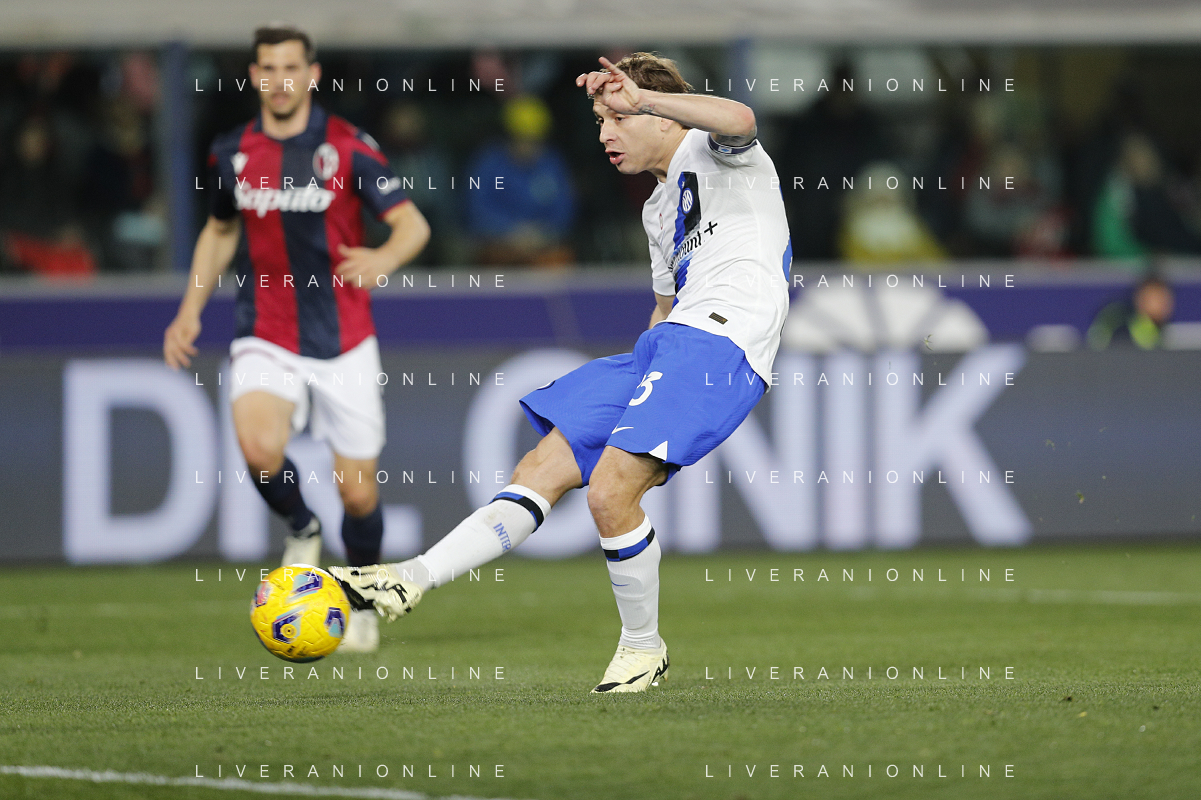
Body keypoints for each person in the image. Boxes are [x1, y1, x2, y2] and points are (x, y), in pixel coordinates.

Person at [333, 52, 790, 692]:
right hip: (668, 346)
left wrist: (645, 97)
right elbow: (664, 308)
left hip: (723, 342)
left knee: (609, 493)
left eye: (617, 118)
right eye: (601, 120)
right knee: (540, 468)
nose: (605, 133)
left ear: (659, 115)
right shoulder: (657, 210)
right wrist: (645, 375)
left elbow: (740, 117)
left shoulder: (722, 154)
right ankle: (411, 577)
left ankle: (643, 649)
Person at [163, 25, 430, 652]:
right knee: (259, 448)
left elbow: (412, 224)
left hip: (343, 337)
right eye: (267, 67)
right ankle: (303, 526)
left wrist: (384, 257)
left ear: (312, 75)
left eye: (290, 67)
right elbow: (220, 231)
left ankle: (360, 600)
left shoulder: (347, 146)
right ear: (253, 76)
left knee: (357, 493)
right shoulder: (231, 151)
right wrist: (189, 310)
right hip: (267, 328)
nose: (278, 80)